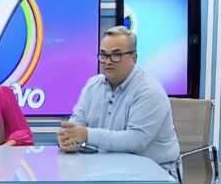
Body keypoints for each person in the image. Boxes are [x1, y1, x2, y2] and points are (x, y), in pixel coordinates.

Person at [57, 25, 179, 172]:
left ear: (133, 58)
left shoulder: (149, 91)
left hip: (153, 173)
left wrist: (87, 135)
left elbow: (135, 140)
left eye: (116, 55)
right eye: (103, 55)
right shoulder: (93, 85)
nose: (108, 61)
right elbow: (77, 121)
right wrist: (68, 138)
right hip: (105, 170)